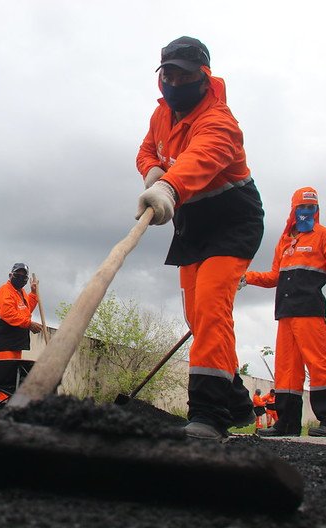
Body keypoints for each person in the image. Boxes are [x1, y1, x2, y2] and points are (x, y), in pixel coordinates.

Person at [135, 36, 264, 440]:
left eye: (183, 75)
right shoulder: (162, 115)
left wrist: (169, 188)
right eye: (167, 74)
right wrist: (152, 171)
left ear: (204, 77)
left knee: (210, 307)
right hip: (193, 226)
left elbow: (200, 158)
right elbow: (145, 150)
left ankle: (210, 415)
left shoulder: (220, 121)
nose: (174, 82)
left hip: (232, 221)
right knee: (198, 316)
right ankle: (237, 400)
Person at [241, 187, 326, 437]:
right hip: (286, 315)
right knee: (286, 370)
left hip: (310, 312)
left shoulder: (325, 236)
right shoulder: (285, 240)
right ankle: (287, 423)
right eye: (301, 207)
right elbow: (273, 277)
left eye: (311, 207)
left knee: (319, 365)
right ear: (293, 210)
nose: (306, 212)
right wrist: (247, 277)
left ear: (317, 210)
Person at [0, 263, 42, 403]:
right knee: (4, 376)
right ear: (10, 275)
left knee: (13, 377)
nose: (20, 277)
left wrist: (33, 293)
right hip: (4, 341)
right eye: (17, 274)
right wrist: (29, 324)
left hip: (16, 342)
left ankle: (9, 405)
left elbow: (25, 311)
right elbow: (8, 314)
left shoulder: (21, 293)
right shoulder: (4, 291)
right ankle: (2, 406)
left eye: (23, 275)